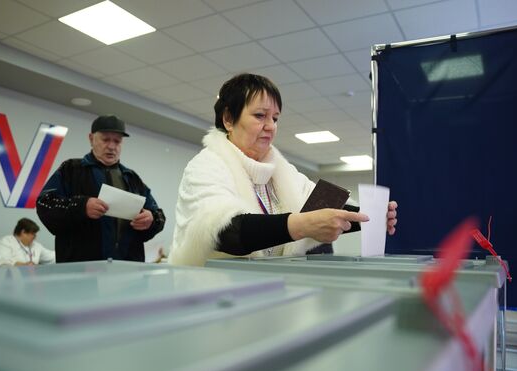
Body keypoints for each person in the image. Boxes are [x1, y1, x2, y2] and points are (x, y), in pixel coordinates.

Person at [169, 73, 397, 266]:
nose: (271, 126)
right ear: (229, 119)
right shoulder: (206, 165)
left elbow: (321, 207)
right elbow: (224, 232)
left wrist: (369, 215)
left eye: (275, 118)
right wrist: (302, 225)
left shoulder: (282, 170)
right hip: (211, 297)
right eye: (260, 116)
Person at [36, 115, 165, 263]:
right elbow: (45, 204)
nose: (111, 146)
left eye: (117, 141)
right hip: (82, 272)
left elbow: (159, 215)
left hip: (127, 273)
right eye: (105, 139)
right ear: (91, 139)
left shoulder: (132, 178)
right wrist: (81, 206)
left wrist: (151, 220)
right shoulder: (70, 170)